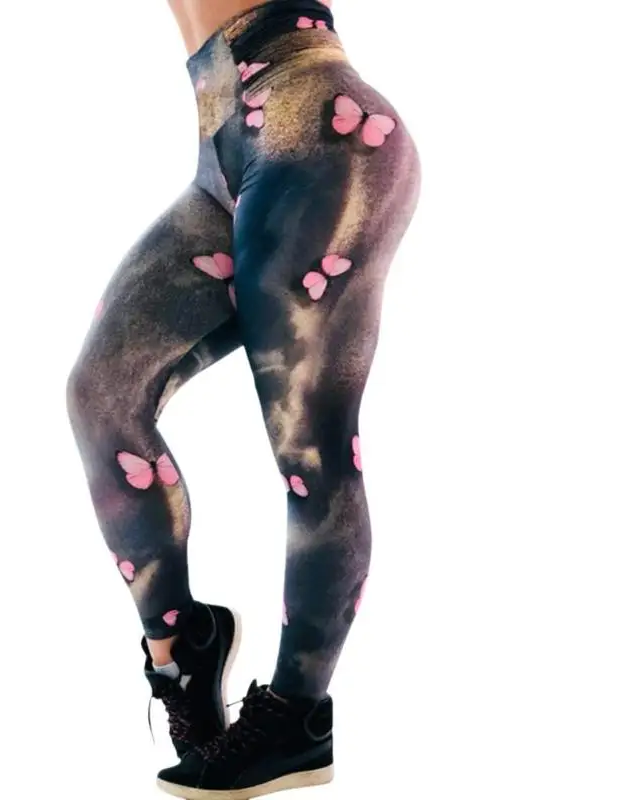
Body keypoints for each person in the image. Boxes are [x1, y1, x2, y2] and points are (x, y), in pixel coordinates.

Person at [66, 0, 420, 796]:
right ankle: (182, 646)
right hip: (224, 149)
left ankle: (298, 714)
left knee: (310, 445)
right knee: (101, 394)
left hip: (320, 131)